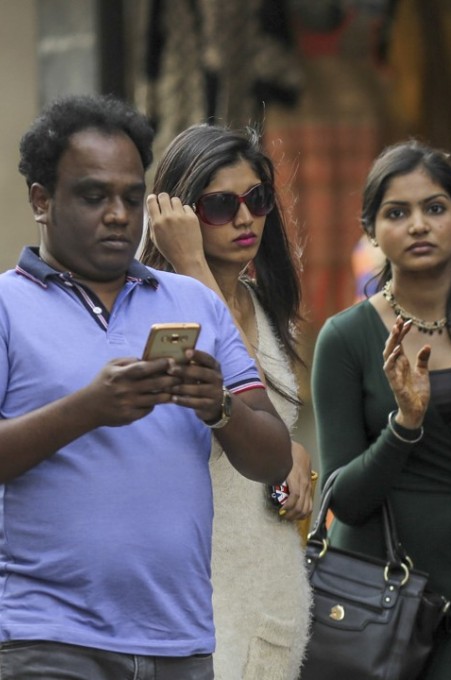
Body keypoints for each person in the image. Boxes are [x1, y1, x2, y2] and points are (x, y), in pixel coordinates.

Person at [0, 95, 291, 678]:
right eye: (93, 195)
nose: (117, 214)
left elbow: (275, 459)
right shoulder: (8, 305)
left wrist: (220, 408)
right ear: (41, 200)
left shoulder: (194, 302)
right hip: (48, 640)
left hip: (179, 643)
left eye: (132, 197)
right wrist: (88, 409)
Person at [311, 140, 451, 679]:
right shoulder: (344, 338)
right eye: (396, 213)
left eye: (434, 208)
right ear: (371, 230)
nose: (418, 225)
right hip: (373, 585)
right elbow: (346, 500)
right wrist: (404, 425)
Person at [141, 124, 313, 679]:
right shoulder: (159, 313)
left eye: (257, 199)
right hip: (195, 588)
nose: (245, 218)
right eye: (220, 205)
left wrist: (295, 458)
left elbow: (262, 412)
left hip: (273, 574)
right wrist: (190, 265)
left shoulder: (265, 304)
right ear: (183, 216)